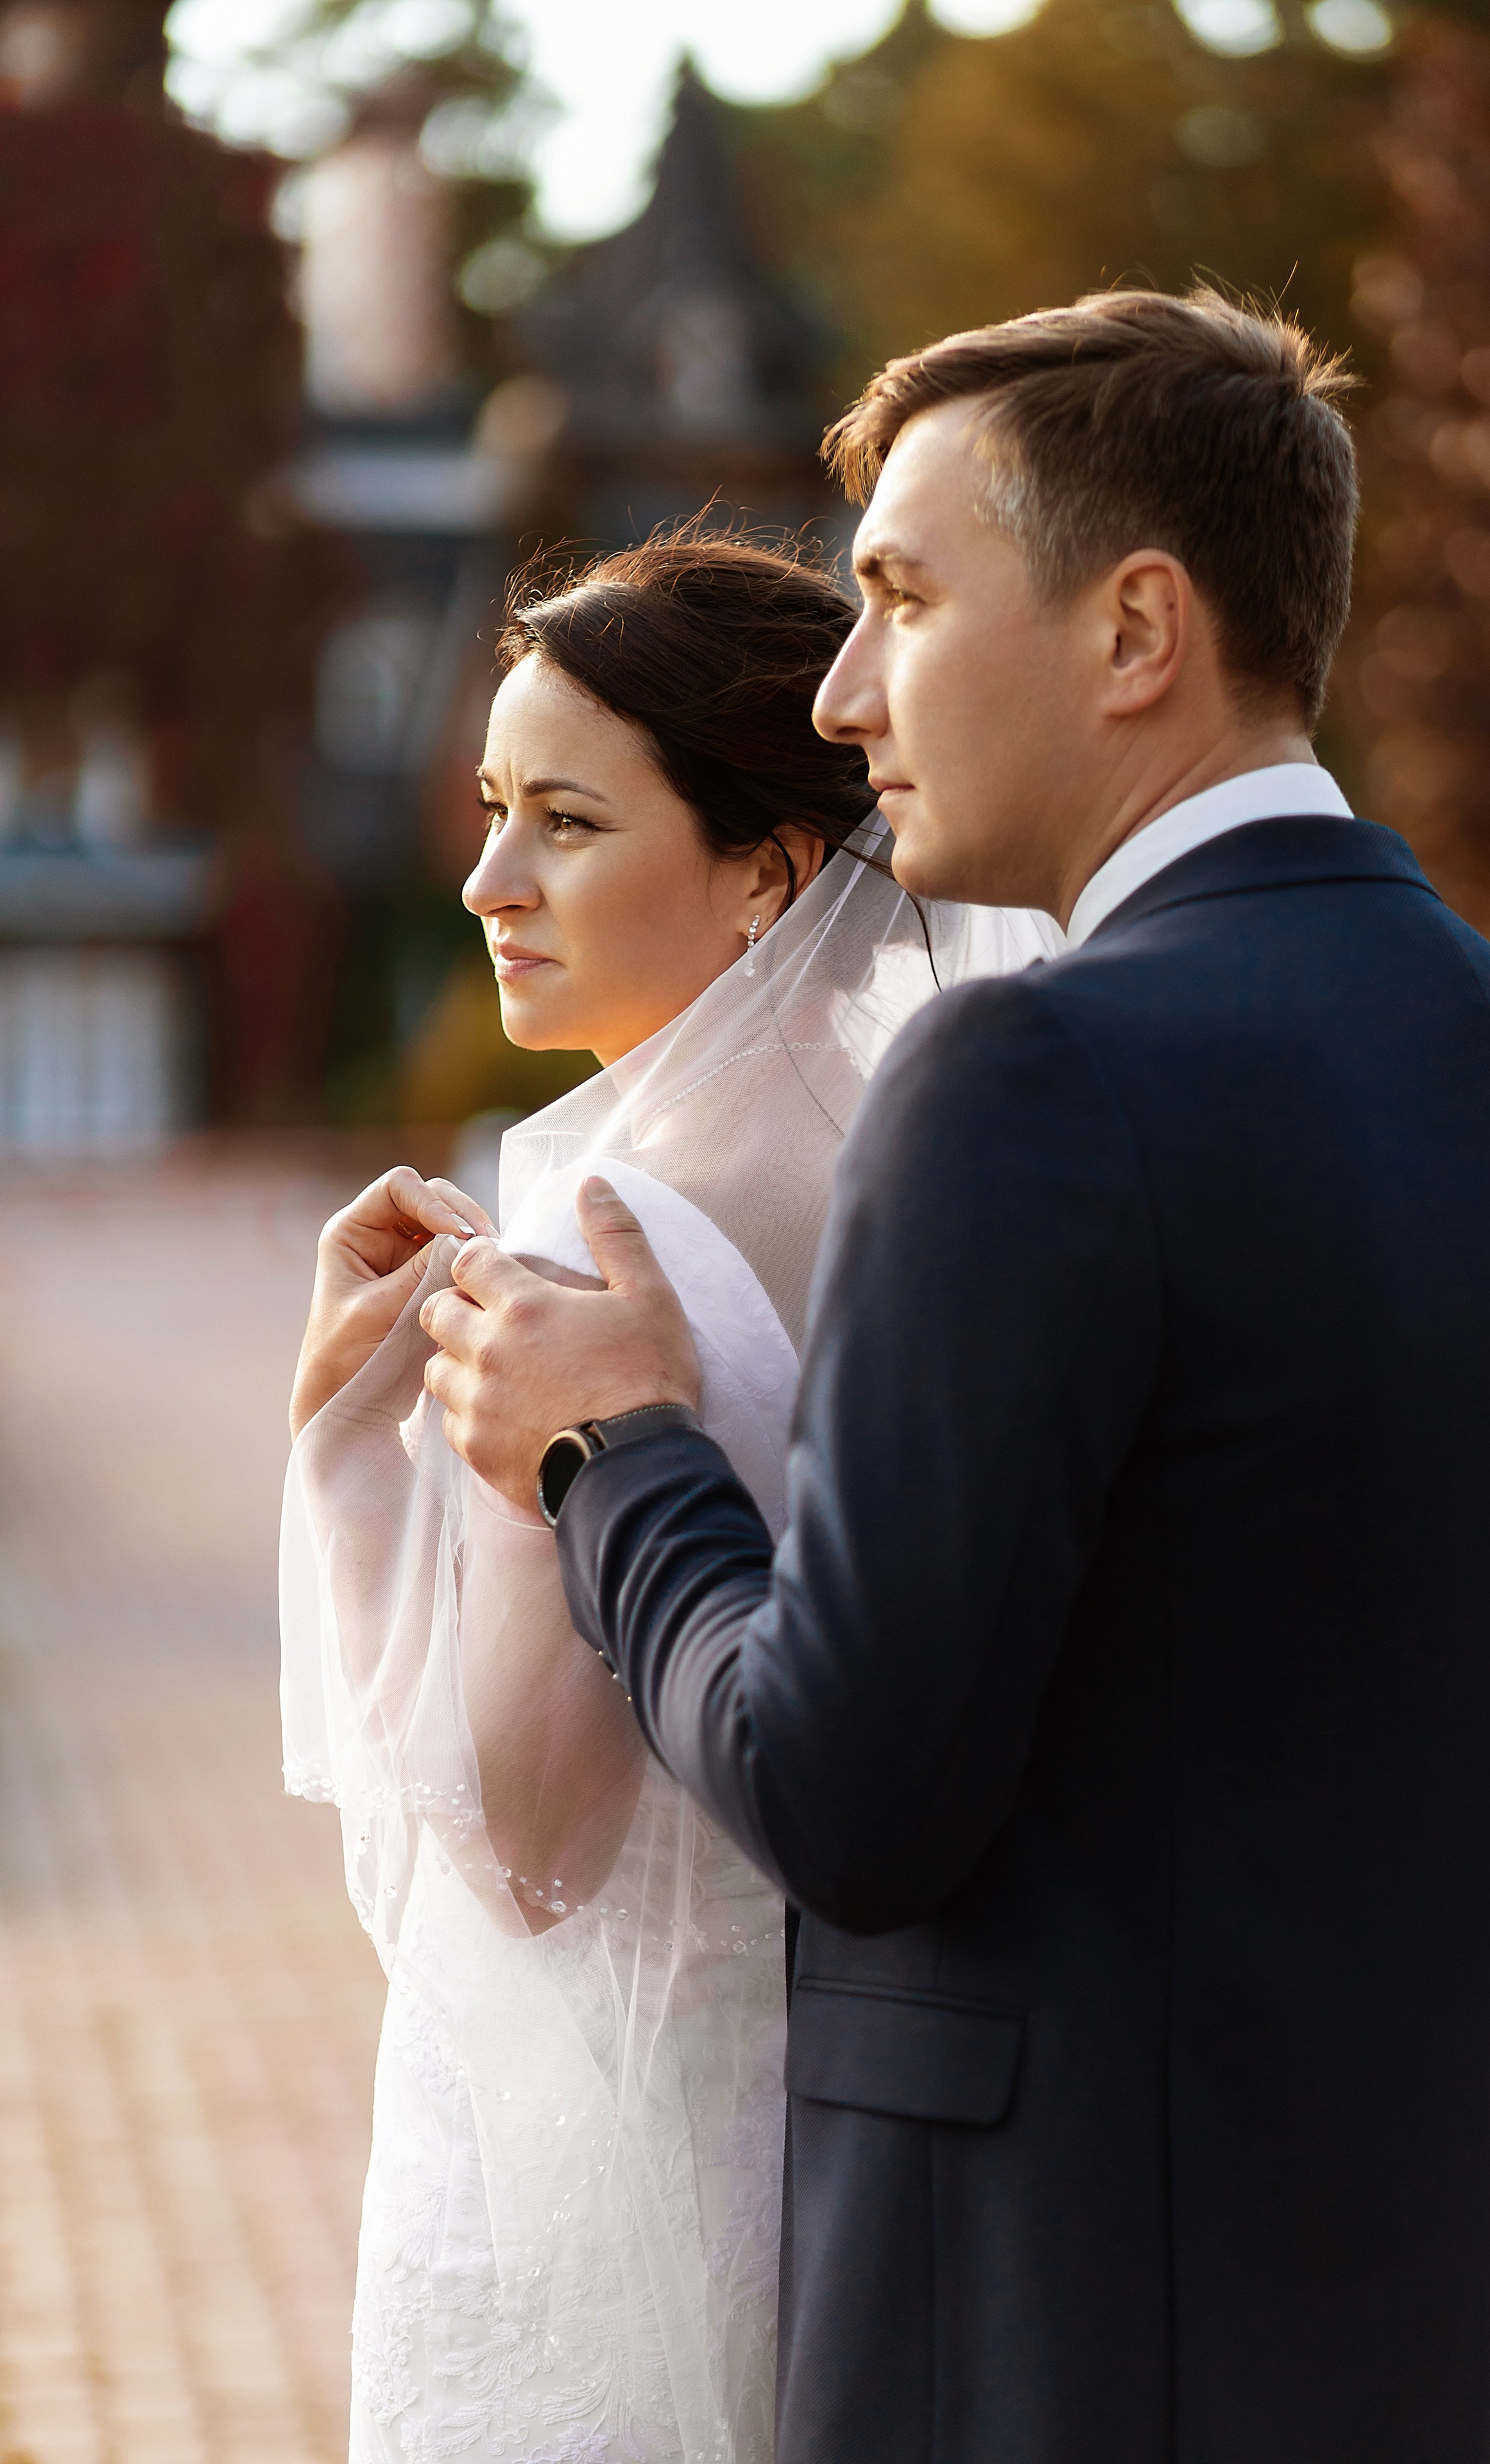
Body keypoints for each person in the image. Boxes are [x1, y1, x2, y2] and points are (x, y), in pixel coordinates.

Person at [421, 289, 1490, 2464]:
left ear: (1134, 630)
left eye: (897, 593)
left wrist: (612, 1452)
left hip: (1073, 2350)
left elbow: (849, 1794)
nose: (839, 686)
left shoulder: (1038, 1072)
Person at [279, 531, 1058, 2464]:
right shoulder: (956, 1175)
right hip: (879, 2129)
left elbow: (530, 1841)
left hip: (603, 2141)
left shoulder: (592, 1242)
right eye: (488, 810)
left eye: (564, 821)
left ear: (769, 870)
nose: (487, 881)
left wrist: (343, 1456)